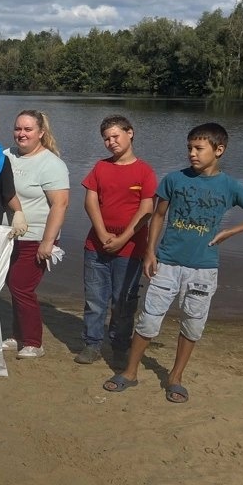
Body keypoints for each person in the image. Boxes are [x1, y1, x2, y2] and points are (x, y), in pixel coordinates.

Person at [104, 123, 243, 403]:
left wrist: (230, 232)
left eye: (199, 148)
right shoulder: (174, 179)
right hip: (167, 263)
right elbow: (158, 216)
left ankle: (175, 377)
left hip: (204, 269)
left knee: (193, 325)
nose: (192, 154)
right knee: (148, 321)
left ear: (219, 150)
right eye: (189, 148)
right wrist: (150, 252)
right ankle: (130, 372)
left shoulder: (230, 186)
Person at [76, 116, 157, 365]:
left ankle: (120, 346)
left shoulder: (144, 171)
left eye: (115, 136)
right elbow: (90, 201)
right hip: (96, 247)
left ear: (130, 133)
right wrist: (101, 234)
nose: (111, 142)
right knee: (94, 300)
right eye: (106, 139)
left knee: (123, 302)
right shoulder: (100, 167)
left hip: (130, 249)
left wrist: (122, 238)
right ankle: (92, 344)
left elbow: (146, 210)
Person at [3, 110, 70, 359]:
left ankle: (33, 342)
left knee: (22, 286)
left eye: (28, 129)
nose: (22, 134)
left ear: (41, 133)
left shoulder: (51, 164)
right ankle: (17, 335)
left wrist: (48, 242)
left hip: (37, 237)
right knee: (13, 285)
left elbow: (60, 205)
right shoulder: (7, 155)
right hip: (9, 236)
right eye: (18, 128)